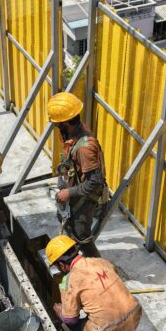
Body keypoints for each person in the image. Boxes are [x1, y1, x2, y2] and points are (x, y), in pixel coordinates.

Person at [46, 234, 141, 331]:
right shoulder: (100, 261)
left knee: (67, 327)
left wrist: (60, 312)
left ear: (61, 264)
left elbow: (71, 320)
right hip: (135, 315)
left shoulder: (69, 280)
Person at [48, 92, 108, 258]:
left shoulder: (84, 147)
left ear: (66, 122)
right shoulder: (72, 133)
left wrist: (68, 192)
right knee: (65, 221)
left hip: (85, 197)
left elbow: (94, 182)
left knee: (82, 237)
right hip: (75, 187)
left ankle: (97, 268)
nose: (56, 126)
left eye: (57, 123)